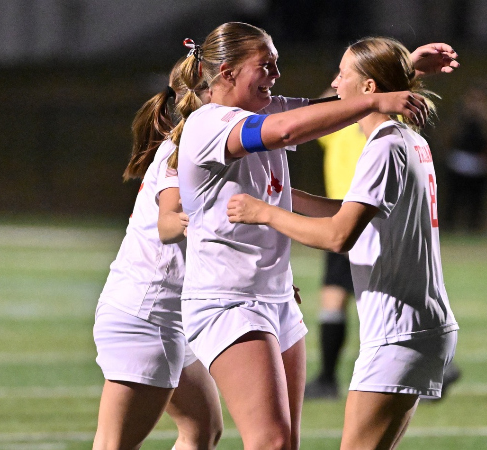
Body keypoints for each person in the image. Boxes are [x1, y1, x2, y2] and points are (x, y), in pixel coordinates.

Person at [172, 22, 456, 450]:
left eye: (276, 64)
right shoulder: (209, 123)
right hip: (228, 299)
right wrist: (380, 89)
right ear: (227, 73)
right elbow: (294, 128)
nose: (276, 74)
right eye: (265, 66)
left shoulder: (376, 139)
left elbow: (332, 108)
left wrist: (401, 69)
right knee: (269, 442)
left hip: (278, 297)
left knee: (283, 444)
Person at [91, 59, 222, 450]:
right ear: (211, 94)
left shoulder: (210, 143)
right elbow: (169, 223)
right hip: (147, 314)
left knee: (202, 428)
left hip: (171, 316)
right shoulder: (185, 150)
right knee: (115, 444)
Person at [304, 89, 368, 400]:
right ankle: (327, 378)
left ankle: (434, 363)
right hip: (340, 216)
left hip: (367, 219)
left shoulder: (381, 124)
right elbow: (314, 112)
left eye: (344, 76)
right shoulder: (339, 124)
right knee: (334, 296)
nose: (335, 84)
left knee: (380, 300)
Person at [444, 80, 487, 233]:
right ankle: (449, 227)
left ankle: (474, 228)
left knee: (477, 199)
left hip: (480, 163)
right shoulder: (460, 114)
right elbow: (449, 135)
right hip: (459, 161)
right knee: (454, 197)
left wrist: (485, 118)